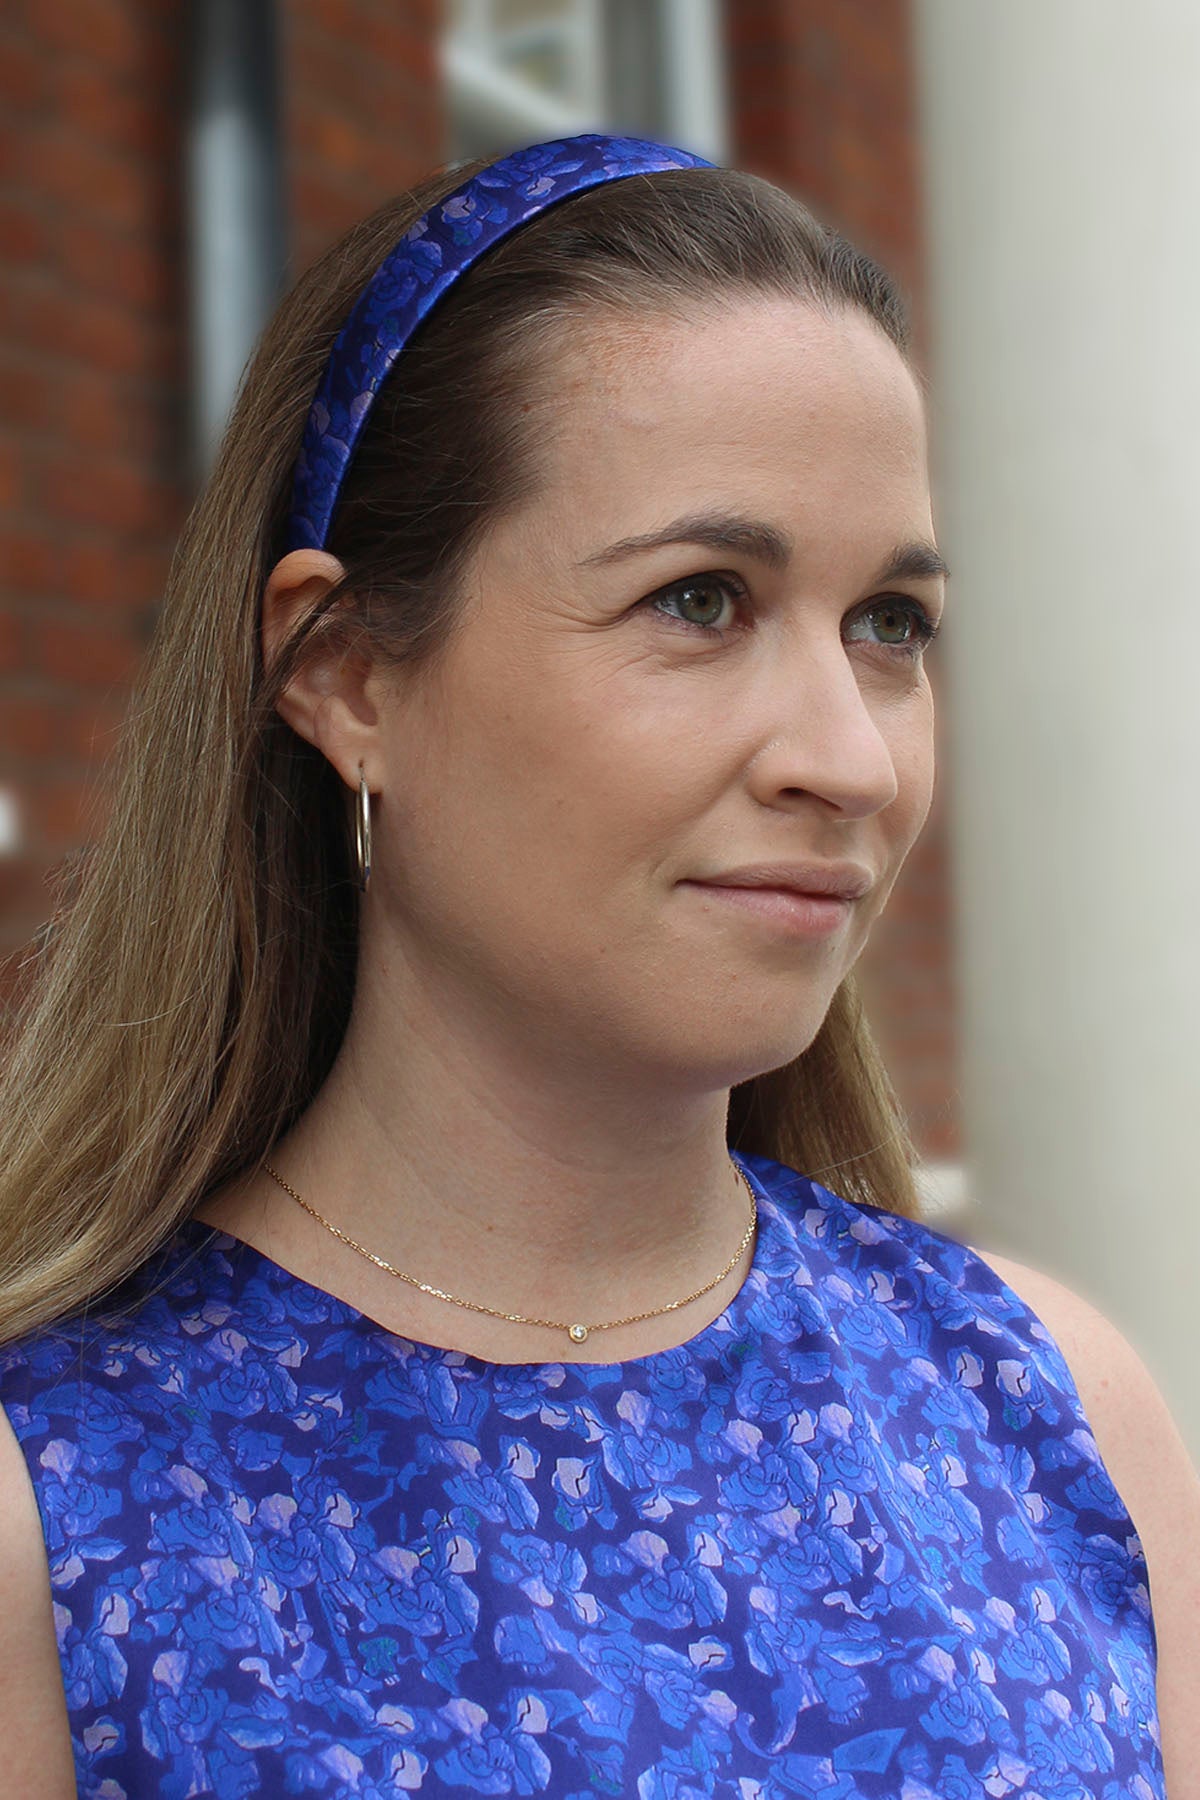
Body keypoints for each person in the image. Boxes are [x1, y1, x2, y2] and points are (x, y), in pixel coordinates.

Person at [0, 131, 1194, 1799]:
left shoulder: (1057, 1409)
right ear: (346, 673)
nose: (850, 760)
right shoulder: (57, 1512)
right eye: (701, 600)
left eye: (891, 625)